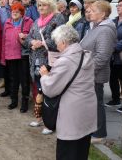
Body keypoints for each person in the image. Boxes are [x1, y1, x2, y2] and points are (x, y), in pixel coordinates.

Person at [40, 25, 96, 160]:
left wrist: (45, 75)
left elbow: (50, 89)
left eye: (57, 42)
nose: (56, 45)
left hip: (72, 114)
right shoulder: (85, 54)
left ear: (64, 42)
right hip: (87, 110)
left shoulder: (65, 61)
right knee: (81, 151)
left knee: (67, 152)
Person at [24, 0, 66, 135]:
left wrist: (41, 43)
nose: (41, 7)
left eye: (44, 5)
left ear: (51, 5)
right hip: (36, 60)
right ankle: (40, 117)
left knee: (50, 92)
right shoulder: (37, 21)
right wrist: (31, 42)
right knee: (39, 90)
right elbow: (29, 36)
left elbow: (61, 38)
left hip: (50, 61)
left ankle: (50, 124)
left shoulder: (58, 18)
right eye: (39, 5)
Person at [80, 0, 117, 144]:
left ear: (103, 14)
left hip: (94, 75)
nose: (90, 12)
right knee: (91, 104)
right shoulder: (96, 26)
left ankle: (100, 133)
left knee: (96, 103)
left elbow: (102, 56)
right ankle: (91, 130)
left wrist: (86, 71)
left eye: (93, 10)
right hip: (88, 72)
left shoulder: (105, 30)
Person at [1, 3, 33, 112]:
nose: (14, 13)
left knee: (24, 80)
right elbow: (3, 40)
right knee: (13, 80)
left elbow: (33, 37)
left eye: (17, 11)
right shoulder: (7, 22)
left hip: (23, 55)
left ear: (22, 13)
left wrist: (25, 36)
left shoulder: (29, 22)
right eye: (13, 11)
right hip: (10, 55)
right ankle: (13, 101)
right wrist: (3, 57)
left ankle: (24, 102)